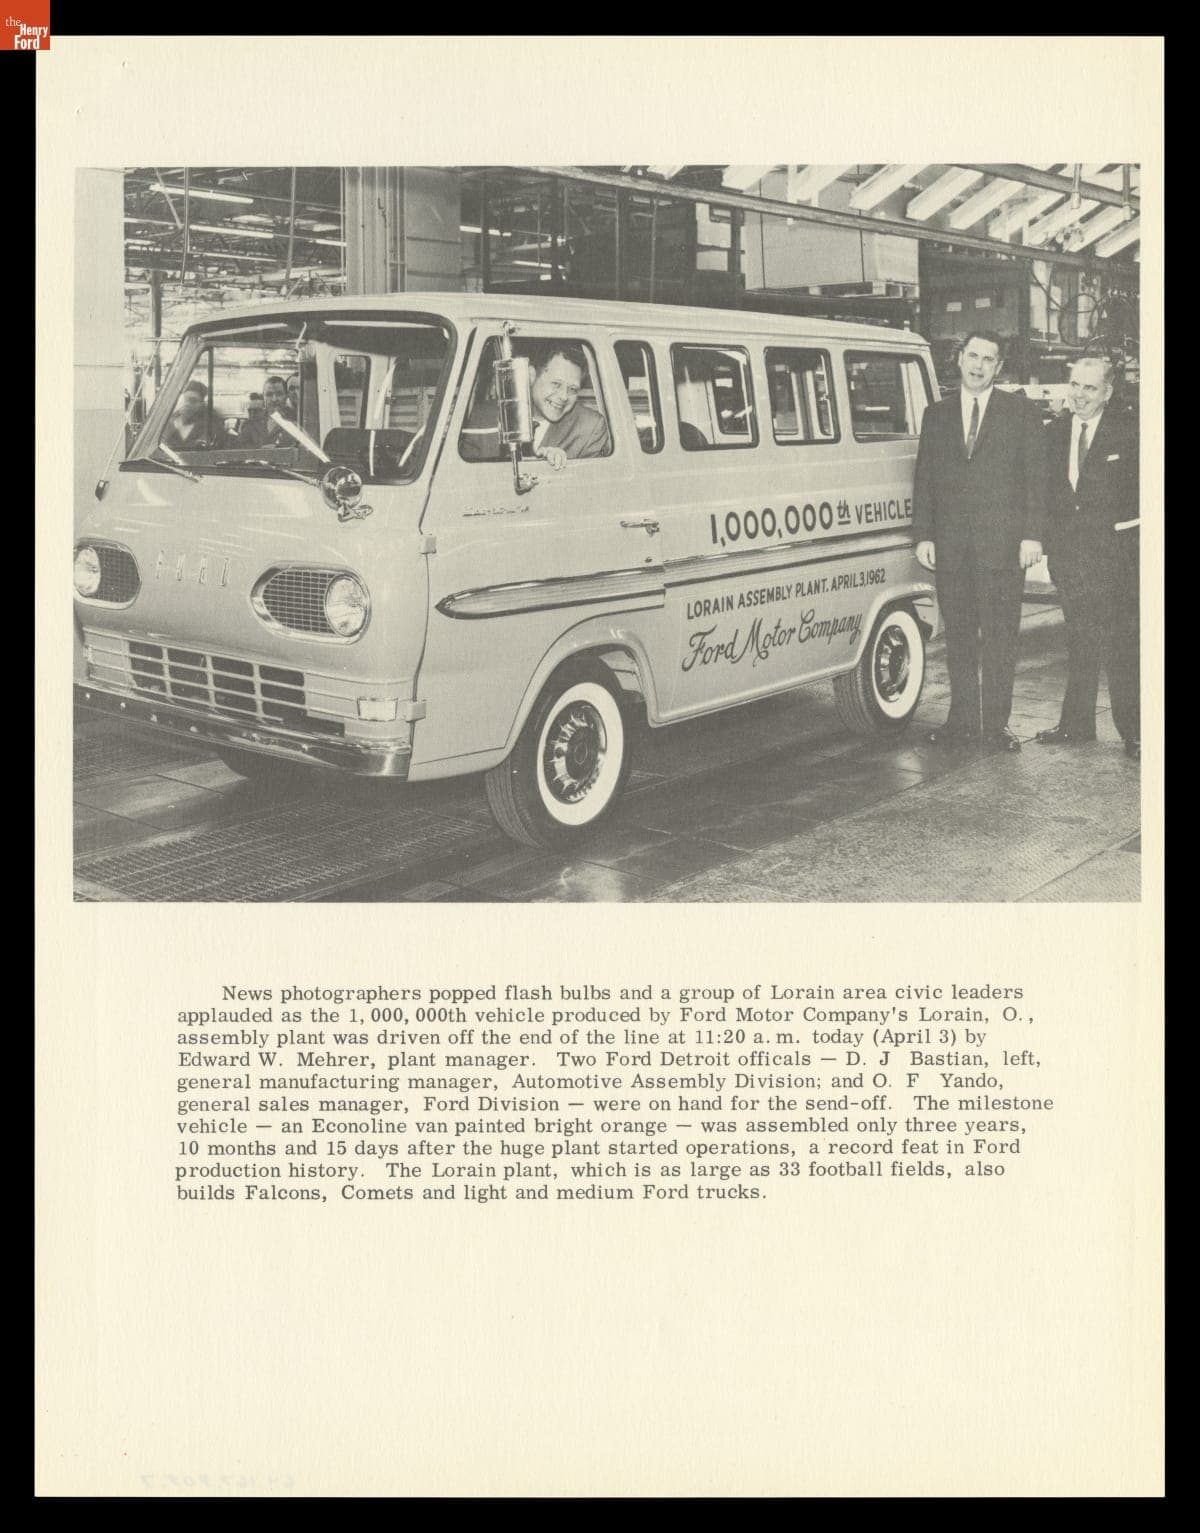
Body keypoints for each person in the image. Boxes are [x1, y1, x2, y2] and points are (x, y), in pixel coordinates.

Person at [912, 331, 1045, 752]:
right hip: (952, 549)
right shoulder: (937, 414)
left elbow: (1035, 479)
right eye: (973, 355)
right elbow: (925, 478)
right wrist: (924, 534)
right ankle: (962, 722)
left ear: (999, 367)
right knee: (960, 640)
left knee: (1002, 639)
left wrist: (1032, 535)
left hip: (1003, 550)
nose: (978, 365)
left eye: (988, 359)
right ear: (959, 359)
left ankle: (995, 727)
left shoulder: (1019, 413)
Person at [1035, 357, 1139, 760]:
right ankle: (1076, 725)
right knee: (1078, 641)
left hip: (1117, 559)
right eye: (1074, 385)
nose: (1078, 395)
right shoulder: (1057, 432)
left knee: (1121, 644)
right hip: (1071, 559)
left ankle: (1135, 731)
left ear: (1108, 392)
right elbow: (1049, 492)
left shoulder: (1130, 433)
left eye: (1089, 388)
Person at [460, 344, 611, 467]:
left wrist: (559, 471)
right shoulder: (483, 417)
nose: (564, 396)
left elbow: (594, 492)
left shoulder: (590, 427)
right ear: (531, 376)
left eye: (573, 389)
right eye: (556, 384)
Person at [160, 381, 229, 451]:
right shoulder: (166, 424)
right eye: (184, 399)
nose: (187, 404)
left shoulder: (211, 426)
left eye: (193, 400)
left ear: (202, 404)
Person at [238, 374, 296, 449]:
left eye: (279, 394)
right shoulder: (250, 423)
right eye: (269, 395)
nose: (274, 399)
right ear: (263, 397)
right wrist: (261, 449)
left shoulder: (297, 421)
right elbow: (240, 449)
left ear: (286, 395)